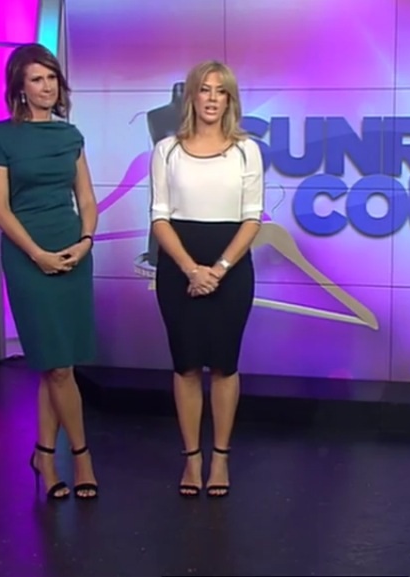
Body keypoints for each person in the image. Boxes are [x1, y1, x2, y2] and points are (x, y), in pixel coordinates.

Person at [0, 43, 100, 500]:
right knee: (58, 366)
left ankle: (44, 456)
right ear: (20, 87)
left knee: (58, 364)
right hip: (28, 255)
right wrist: (37, 254)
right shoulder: (1, 137)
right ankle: (82, 456)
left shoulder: (70, 135)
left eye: (52, 77)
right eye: (37, 79)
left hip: (73, 253)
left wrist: (85, 242)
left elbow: (86, 199)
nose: (47, 86)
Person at [149, 60, 264, 499]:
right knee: (185, 365)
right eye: (205, 89)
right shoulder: (167, 150)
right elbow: (159, 218)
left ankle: (220, 459)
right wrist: (191, 269)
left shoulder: (247, 150)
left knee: (223, 365)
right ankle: (192, 459)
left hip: (230, 271)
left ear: (230, 100)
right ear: (192, 97)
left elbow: (252, 219)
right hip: (179, 268)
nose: (212, 98)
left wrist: (218, 269)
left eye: (221, 91)